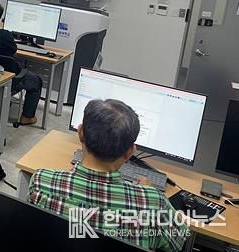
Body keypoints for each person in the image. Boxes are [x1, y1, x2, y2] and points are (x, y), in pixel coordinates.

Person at [28, 99, 188, 252]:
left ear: (80, 133)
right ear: (130, 152)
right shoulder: (154, 204)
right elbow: (178, 242)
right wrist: (147, 193)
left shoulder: (41, 182)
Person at [0, 0, 43, 126]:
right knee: (37, 80)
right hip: (5, 77)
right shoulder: (5, 36)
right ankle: (27, 117)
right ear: (0, 18)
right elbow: (13, 50)